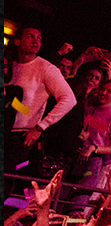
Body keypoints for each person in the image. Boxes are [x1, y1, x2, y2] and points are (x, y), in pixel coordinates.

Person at [5, 25, 77, 171]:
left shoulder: (46, 68)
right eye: (30, 36)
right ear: (17, 41)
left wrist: (41, 127)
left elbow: (69, 99)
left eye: (39, 38)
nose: (36, 41)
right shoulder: (10, 65)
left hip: (23, 134)